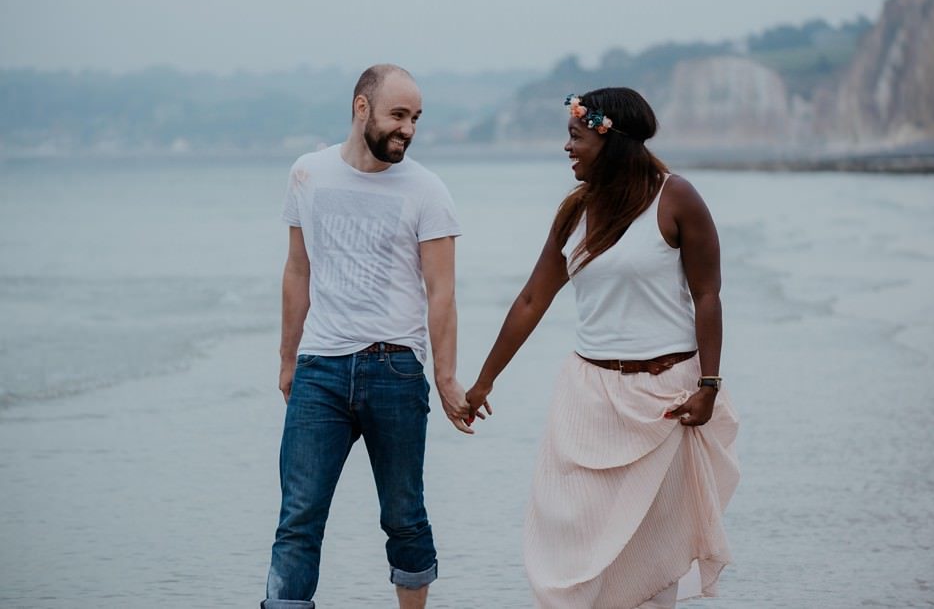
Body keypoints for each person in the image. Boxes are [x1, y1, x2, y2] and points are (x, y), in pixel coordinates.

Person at [465, 88, 740, 608]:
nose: (567, 148)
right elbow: (530, 300)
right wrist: (484, 381)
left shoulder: (675, 198)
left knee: (654, 553)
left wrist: (709, 385)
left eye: (576, 137)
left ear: (608, 138)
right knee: (570, 540)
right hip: (588, 398)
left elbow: (708, 295)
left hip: (667, 400)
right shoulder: (575, 212)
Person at [262, 64, 475, 609]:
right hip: (320, 370)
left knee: (404, 514)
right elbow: (296, 270)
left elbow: (442, 292)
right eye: (398, 115)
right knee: (299, 518)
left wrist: (446, 378)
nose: (408, 128)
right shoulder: (307, 173)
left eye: (416, 118)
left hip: (396, 370)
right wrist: (288, 359)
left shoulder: (427, 189)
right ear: (362, 109)